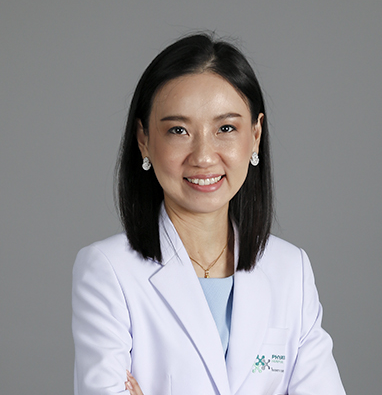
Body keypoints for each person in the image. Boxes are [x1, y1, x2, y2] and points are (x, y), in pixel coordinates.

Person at [72, 33, 346, 395]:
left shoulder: (290, 270)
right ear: (144, 139)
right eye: (178, 130)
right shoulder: (108, 270)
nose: (203, 156)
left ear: (255, 135)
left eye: (226, 128)